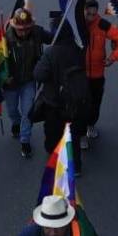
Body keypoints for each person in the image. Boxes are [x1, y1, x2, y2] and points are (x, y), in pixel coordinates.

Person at [34, 24, 91, 173]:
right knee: (73, 135)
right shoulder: (78, 50)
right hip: (74, 101)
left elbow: (39, 74)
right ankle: (76, 166)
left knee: (53, 133)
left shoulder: (51, 52)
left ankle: (56, 160)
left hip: (54, 102)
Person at [4, 8, 51, 158]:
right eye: (20, 29)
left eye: (26, 29)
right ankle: (15, 122)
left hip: (29, 81)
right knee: (12, 110)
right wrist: (4, 77)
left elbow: (52, 38)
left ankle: (25, 140)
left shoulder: (37, 33)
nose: (23, 32)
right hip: (11, 83)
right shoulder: (4, 38)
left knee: (28, 111)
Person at [81, 0, 118, 144]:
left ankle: (91, 125)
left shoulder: (102, 25)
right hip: (79, 74)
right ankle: (81, 133)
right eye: (88, 14)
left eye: (94, 15)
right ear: (82, 11)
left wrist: (113, 58)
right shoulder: (76, 24)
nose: (90, 18)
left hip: (97, 74)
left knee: (95, 104)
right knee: (79, 105)